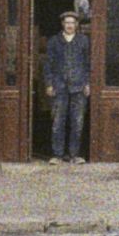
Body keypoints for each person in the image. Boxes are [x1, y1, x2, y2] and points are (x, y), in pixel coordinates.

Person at [43, 10, 91, 164]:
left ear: (76, 25)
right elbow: (48, 65)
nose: (70, 25)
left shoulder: (84, 41)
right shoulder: (54, 41)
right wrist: (49, 84)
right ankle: (57, 155)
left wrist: (87, 83)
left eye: (72, 23)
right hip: (59, 87)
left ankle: (74, 155)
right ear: (63, 24)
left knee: (77, 122)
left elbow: (88, 65)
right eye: (67, 22)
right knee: (58, 122)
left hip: (78, 87)